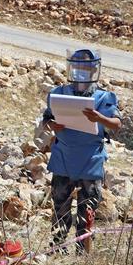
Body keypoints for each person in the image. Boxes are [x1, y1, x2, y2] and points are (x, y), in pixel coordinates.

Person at [41, 49, 121, 252]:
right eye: (77, 68)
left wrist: (99, 118)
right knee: (60, 206)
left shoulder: (104, 97)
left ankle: (83, 252)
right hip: (63, 158)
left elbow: (116, 124)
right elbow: (46, 120)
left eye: (85, 68)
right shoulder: (59, 93)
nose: (80, 72)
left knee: (88, 210)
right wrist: (51, 125)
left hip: (90, 160)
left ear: (94, 70)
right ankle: (57, 248)